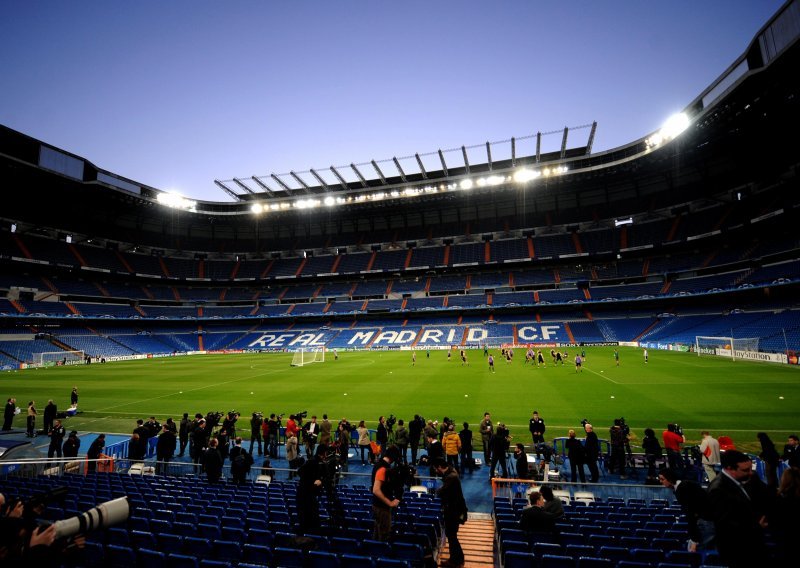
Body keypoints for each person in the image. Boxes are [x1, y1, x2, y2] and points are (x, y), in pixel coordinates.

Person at [707, 450, 770, 567]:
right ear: (730, 469)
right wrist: (757, 526)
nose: (751, 473)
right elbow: (726, 526)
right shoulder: (718, 490)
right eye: (746, 470)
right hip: (737, 549)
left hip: (753, 542)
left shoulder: (745, 478)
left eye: (751, 469)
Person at [659, 468, 714, 553]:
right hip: (708, 520)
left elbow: (691, 515)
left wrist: (694, 540)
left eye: (662, 479)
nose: (660, 481)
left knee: (700, 552)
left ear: (669, 478)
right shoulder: (685, 485)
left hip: (705, 522)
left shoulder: (682, 489)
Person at [433, 457, 468, 568]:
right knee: (452, 536)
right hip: (454, 510)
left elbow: (441, 492)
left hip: (453, 512)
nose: (435, 471)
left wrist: (437, 491)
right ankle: (457, 558)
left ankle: (456, 560)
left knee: (452, 536)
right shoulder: (451, 472)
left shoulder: (451, 477)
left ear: (439, 467)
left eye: (435, 468)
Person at [372, 445, 402, 542]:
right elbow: (376, 490)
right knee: (384, 536)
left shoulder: (379, 465)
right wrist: (389, 503)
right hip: (382, 507)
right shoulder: (383, 468)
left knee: (378, 534)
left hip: (377, 505)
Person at [297, 443, 328, 533]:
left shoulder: (313, 461)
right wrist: (313, 482)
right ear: (323, 453)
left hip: (305, 495)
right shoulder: (312, 462)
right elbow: (301, 472)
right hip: (306, 496)